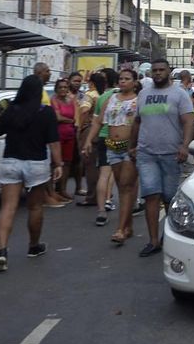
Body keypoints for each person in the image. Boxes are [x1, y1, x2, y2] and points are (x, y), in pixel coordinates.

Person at [0, 74, 63, 272]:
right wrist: (58, 164)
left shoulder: (11, 110)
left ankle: (1, 252)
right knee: (35, 207)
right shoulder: (46, 112)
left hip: (11, 162)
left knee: (8, 208)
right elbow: (53, 141)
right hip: (37, 164)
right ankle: (33, 246)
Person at [133, 58, 194, 257]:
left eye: (162, 70)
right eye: (155, 70)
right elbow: (137, 121)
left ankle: (171, 236)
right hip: (146, 154)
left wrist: (185, 146)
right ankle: (153, 241)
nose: (158, 73)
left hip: (171, 154)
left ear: (169, 72)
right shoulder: (143, 94)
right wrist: (131, 146)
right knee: (151, 195)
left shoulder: (179, 94)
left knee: (169, 198)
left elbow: (188, 122)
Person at [83, 68, 140, 243]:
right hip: (111, 147)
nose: (123, 81)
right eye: (121, 79)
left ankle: (121, 229)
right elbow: (98, 121)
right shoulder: (111, 99)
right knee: (123, 187)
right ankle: (128, 226)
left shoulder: (139, 101)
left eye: (127, 79)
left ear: (135, 82)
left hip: (130, 149)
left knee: (124, 186)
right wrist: (88, 141)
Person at [76, 70, 105, 207]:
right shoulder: (103, 95)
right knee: (100, 166)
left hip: (89, 129)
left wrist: (80, 127)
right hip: (102, 131)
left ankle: (92, 196)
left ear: (91, 83)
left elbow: (84, 110)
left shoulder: (89, 95)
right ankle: (102, 194)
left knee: (90, 165)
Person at [46, 79, 77, 206]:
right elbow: (57, 117)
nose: (63, 89)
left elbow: (77, 116)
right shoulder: (54, 100)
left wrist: (71, 121)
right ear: (56, 89)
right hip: (57, 136)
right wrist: (70, 121)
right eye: (61, 87)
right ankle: (52, 191)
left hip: (70, 135)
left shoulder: (70, 100)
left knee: (67, 163)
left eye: (65, 87)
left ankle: (62, 189)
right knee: (55, 163)